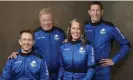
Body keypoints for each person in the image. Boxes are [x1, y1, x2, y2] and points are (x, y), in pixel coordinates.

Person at [8, 8, 65, 80]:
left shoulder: (60, 33)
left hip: (58, 74)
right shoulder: (35, 34)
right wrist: (17, 53)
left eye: (49, 20)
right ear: (40, 21)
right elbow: (26, 46)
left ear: (53, 20)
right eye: (44, 20)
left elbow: (66, 48)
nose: (46, 23)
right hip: (40, 74)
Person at [84, 1, 131, 80]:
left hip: (103, 70)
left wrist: (114, 60)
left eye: (98, 10)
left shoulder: (109, 27)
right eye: (93, 10)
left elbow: (126, 45)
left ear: (102, 12)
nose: (95, 13)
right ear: (89, 12)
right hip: (87, 70)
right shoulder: (84, 27)